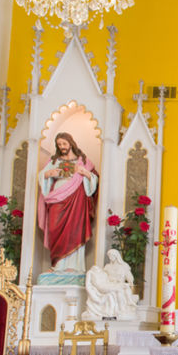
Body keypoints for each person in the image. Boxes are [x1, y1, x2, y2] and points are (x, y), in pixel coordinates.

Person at [37, 132, 98, 273]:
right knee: (54, 228)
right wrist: (48, 174)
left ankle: (74, 266)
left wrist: (85, 172)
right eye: (59, 144)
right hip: (57, 197)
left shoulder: (83, 160)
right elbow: (42, 175)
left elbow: (94, 179)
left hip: (76, 198)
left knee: (75, 230)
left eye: (64, 143)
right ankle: (57, 265)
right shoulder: (54, 160)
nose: (62, 147)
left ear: (70, 143)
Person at [83, 249, 139, 319]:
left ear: (116, 256)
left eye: (111, 255)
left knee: (124, 288)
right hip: (109, 284)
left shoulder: (124, 266)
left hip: (119, 283)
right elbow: (102, 277)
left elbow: (130, 277)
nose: (110, 257)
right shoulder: (107, 266)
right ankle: (121, 309)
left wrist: (131, 282)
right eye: (109, 256)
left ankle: (125, 307)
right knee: (119, 290)